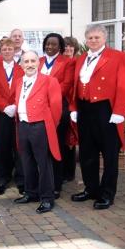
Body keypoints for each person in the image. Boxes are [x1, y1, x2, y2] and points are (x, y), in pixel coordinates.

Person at [70, 24, 125, 210]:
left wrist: (120, 111)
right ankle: (91, 189)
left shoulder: (119, 57)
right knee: (87, 152)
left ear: (105, 38)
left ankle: (107, 193)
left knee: (109, 154)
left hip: (106, 109)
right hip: (85, 108)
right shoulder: (81, 58)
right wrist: (74, 107)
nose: (93, 40)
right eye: (90, 38)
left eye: (97, 37)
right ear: (86, 40)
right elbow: (75, 85)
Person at [14, 50, 62, 214]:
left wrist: (47, 125)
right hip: (23, 125)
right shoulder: (19, 81)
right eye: (26, 62)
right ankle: (31, 192)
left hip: (40, 126)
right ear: (21, 65)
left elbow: (56, 108)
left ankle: (47, 198)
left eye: (33, 61)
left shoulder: (49, 80)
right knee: (26, 162)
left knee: (44, 163)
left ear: (38, 63)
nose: (29, 65)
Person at [38, 33, 75, 199]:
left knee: (56, 147)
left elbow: (66, 85)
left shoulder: (67, 62)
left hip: (58, 110)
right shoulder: (37, 61)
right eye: (47, 44)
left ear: (60, 47)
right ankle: (42, 182)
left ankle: (56, 184)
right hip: (37, 109)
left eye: (53, 44)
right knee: (41, 147)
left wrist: (45, 94)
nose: (50, 47)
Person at [0, 38, 24, 195]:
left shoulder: (21, 68)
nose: (7, 51)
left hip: (18, 112)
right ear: (0, 50)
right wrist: (4, 107)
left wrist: (16, 105)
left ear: (14, 50)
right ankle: (2, 178)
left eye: (10, 49)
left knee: (19, 147)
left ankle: (21, 179)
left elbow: (25, 88)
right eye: (4, 49)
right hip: (2, 112)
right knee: (2, 146)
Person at [62, 36, 80, 182]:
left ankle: (69, 172)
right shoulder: (60, 63)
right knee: (62, 138)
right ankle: (63, 170)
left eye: (70, 47)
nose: (68, 49)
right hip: (62, 104)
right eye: (66, 47)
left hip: (73, 104)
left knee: (71, 139)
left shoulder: (77, 63)